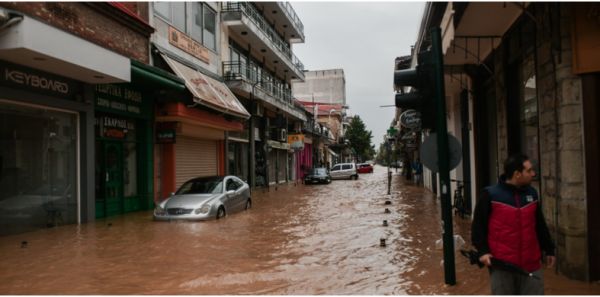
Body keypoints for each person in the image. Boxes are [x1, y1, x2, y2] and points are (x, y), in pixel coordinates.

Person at [471, 154, 555, 295]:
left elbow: (539, 224)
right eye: (529, 171)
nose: (533, 174)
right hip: (502, 267)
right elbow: (478, 227)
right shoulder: (490, 195)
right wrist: (483, 251)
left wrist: (549, 249)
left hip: (531, 264)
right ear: (517, 174)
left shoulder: (532, 194)